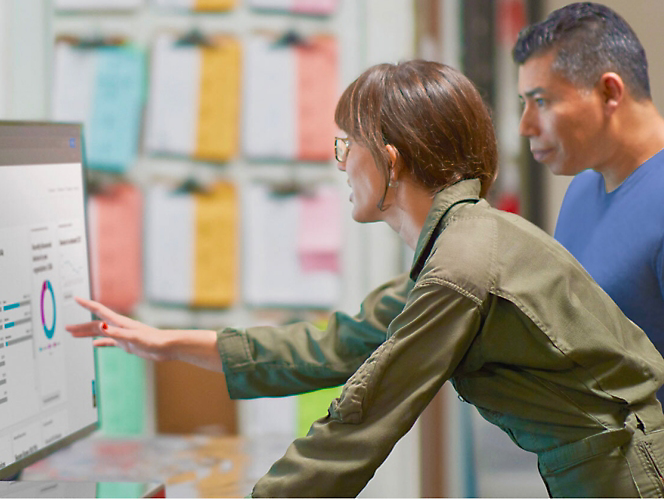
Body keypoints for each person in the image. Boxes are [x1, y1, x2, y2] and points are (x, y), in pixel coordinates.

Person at [68, 60, 664, 498]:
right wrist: (164, 342)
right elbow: (336, 344)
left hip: (629, 475)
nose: (341, 164)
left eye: (345, 145)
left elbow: (366, 415)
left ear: (391, 157)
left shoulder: (459, 269)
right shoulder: (461, 243)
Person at [513, 2, 664, 404]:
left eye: (541, 101)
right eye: (524, 103)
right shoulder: (581, 190)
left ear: (609, 92)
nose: (525, 125)